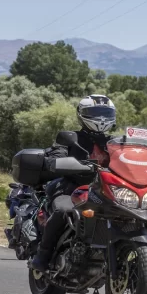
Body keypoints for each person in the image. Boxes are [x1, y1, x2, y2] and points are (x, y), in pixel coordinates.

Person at [30, 94, 115, 272]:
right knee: (64, 210)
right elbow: (56, 156)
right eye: (95, 112)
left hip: (103, 191)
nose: (101, 117)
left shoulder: (114, 142)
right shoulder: (69, 137)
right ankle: (43, 255)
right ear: (82, 114)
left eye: (105, 113)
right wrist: (61, 162)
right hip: (70, 188)